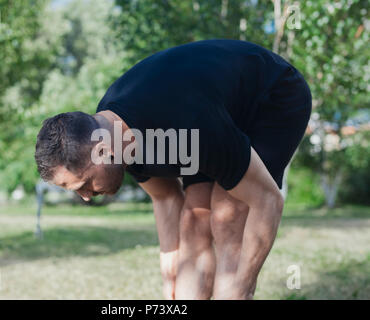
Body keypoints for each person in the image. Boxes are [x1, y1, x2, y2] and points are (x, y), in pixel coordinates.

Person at [34, 39, 312, 300]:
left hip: (270, 97)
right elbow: (166, 198)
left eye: (83, 183)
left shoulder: (187, 123)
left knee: (228, 215)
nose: (84, 196)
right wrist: (170, 272)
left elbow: (268, 200)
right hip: (210, 110)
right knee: (194, 220)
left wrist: (243, 286)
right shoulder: (110, 132)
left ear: (104, 152)